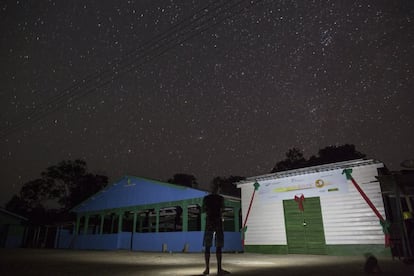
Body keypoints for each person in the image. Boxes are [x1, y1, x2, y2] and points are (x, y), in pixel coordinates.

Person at [202, 183, 230, 275]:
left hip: (209, 221)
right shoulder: (220, 198)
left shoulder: (206, 198)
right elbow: (223, 209)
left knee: (207, 246)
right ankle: (219, 269)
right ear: (218, 190)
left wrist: (209, 210)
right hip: (218, 221)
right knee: (219, 246)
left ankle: (207, 269)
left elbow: (202, 210)